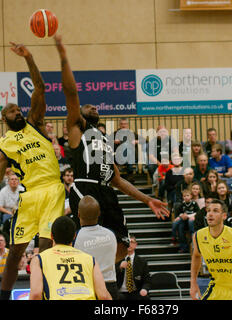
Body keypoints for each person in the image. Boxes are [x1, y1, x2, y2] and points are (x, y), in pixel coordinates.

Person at [0, 42, 66, 301]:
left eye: (18, 109)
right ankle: (4, 297)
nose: (17, 112)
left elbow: (40, 88)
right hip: (30, 196)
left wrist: (29, 57)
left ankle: (46, 296)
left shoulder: (35, 123)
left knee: (45, 249)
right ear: (4, 118)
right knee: (15, 252)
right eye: (11, 111)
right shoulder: (5, 145)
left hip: (52, 190)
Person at [54, 34, 168, 262]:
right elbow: (71, 93)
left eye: (95, 106)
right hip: (85, 189)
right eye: (88, 106)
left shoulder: (104, 140)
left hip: (106, 190)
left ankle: (105, 281)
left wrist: (147, 200)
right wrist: (63, 56)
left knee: (123, 246)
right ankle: (86, 281)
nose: (93, 107)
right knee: (83, 245)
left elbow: (116, 179)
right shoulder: (77, 130)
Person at [29, 215, 111, 300]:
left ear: (51, 236)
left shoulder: (39, 259)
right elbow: (103, 296)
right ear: (74, 236)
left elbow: (35, 294)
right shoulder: (90, 259)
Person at [73, 196, 118, 300]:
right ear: (99, 213)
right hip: (111, 285)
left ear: (78, 214)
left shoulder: (75, 238)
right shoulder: (111, 234)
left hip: (88, 287)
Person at [115, 235, 151, 300]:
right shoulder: (116, 260)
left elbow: (147, 280)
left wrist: (144, 289)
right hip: (120, 292)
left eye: (131, 242)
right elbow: (110, 278)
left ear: (136, 245)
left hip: (136, 292)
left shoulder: (142, 262)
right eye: (127, 242)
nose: (129, 244)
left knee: (144, 298)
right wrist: (119, 267)